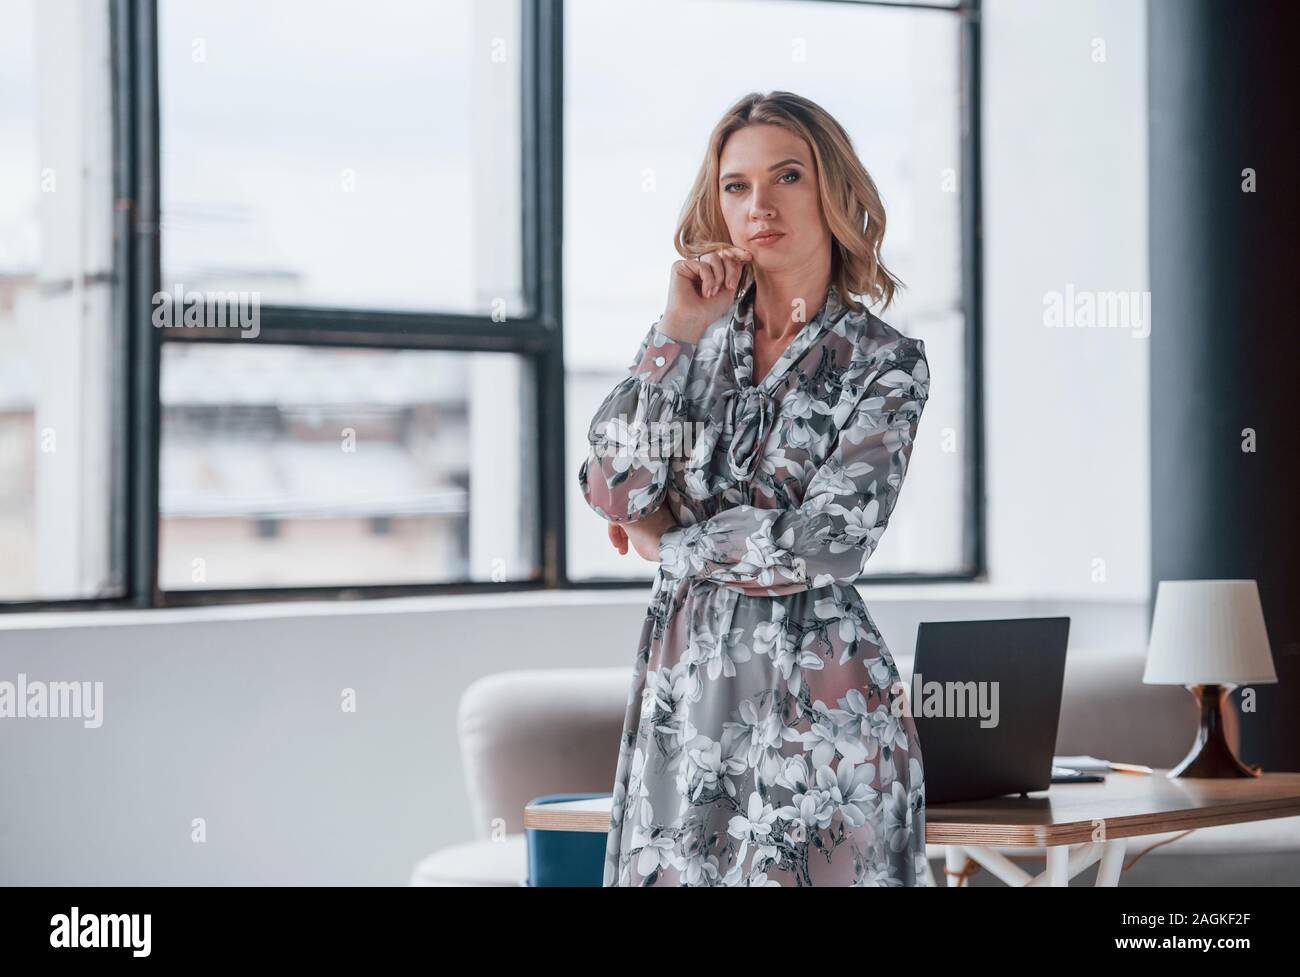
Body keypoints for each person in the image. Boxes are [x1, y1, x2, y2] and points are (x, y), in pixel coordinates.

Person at [578, 90, 932, 886]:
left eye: (786, 177)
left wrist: (671, 543)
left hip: (828, 712)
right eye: (736, 185)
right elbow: (610, 486)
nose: (759, 205)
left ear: (833, 191)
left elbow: (830, 544)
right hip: (685, 691)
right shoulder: (692, 338)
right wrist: (671, 336)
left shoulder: (886, 360)